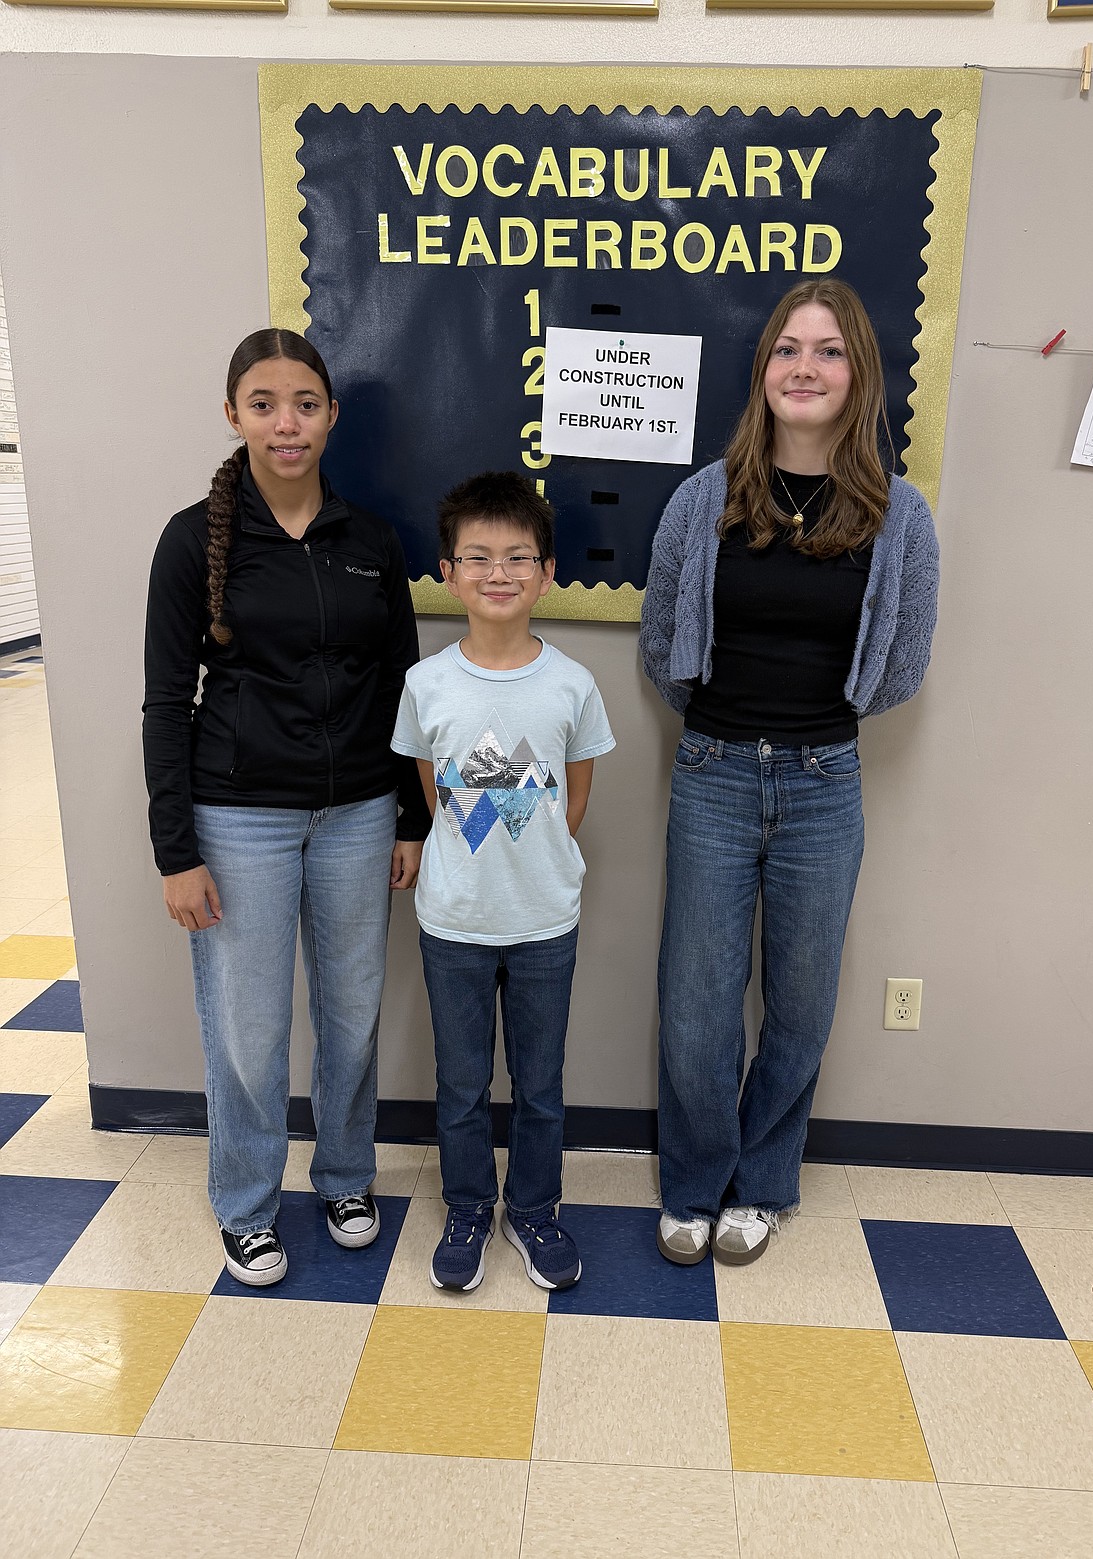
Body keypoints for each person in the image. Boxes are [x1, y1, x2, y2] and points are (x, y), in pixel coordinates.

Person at [639, 279, 939, 1267]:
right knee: (696, 1001)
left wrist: (808, 727)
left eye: (828, 351)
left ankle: (761, 1183)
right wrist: (729, 728)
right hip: (715, 774)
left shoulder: (901, 518)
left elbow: (900, 667)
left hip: (824, 783)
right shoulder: (703, 499)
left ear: (860, 377)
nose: (804, 368)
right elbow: (661, 647)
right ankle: (692, 1180)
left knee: (801, 1002)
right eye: (786, 350)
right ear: (762, 371)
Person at [143, 328, 428, 1287]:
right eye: (263, 403)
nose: (286, 422)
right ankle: (249, 1204)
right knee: (249, 1028)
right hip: (238, 820)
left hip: (356, 816)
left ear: (331, 415)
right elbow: (162, 701)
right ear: (234, 416)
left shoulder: (371, 542)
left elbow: (402, 685)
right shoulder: (193, 541)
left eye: (304, 402)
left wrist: (410, 817)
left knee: (352, 1016)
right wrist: (174, 849)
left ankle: (346, 1178)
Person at [392, 472, 615, 1293]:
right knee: (458, 1085)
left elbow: (575, 794)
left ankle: (534, 1209)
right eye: (477, 556)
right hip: (452, 919)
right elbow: (432, 791)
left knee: (541, 1085)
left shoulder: (572, 684)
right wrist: (479, 853)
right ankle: (467, 1207)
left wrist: (534, 856)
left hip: (545, 920)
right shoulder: (427, 684)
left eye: (518, 557)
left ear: (547, 571)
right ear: (447, 572)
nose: (498, 572)